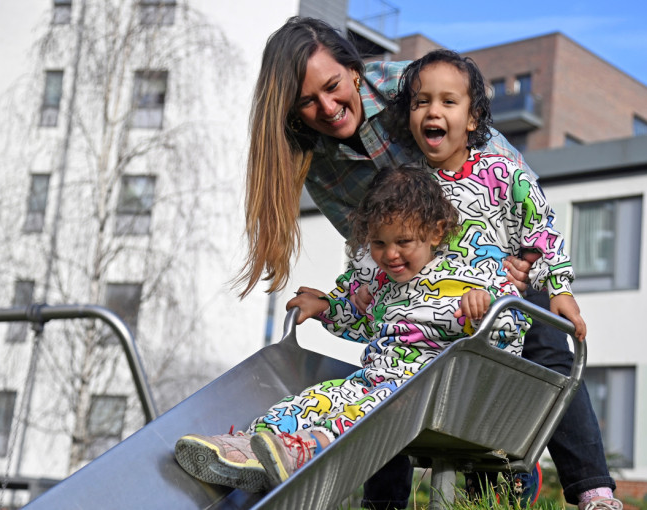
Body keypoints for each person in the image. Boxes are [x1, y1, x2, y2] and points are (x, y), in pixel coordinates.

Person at [236, 16, 619, 510]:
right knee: (385, 372)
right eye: (308, 102)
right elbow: (370, 254)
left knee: (541, 340)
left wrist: (530, 266)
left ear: (354, 72)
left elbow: (513, 190)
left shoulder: (415, 89)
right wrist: (338, 303)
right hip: (417, 286)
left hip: (490, 259)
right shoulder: (320, 163)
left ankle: (589, 488)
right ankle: (389, 501)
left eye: (332, 87)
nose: (327, 108)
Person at [175, 165, 531, 492]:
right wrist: (326, 309)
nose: (390, 254)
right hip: (374, 380)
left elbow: (515, 322)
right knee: (312, 400)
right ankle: (249, 450)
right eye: (379, 243)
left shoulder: (471, 276)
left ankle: (307, 453)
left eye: (403, 242)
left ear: (435, 232)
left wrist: (486, 310)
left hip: (429, 393)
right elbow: (361, 325)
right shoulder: (383, 285)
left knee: (364, 411)